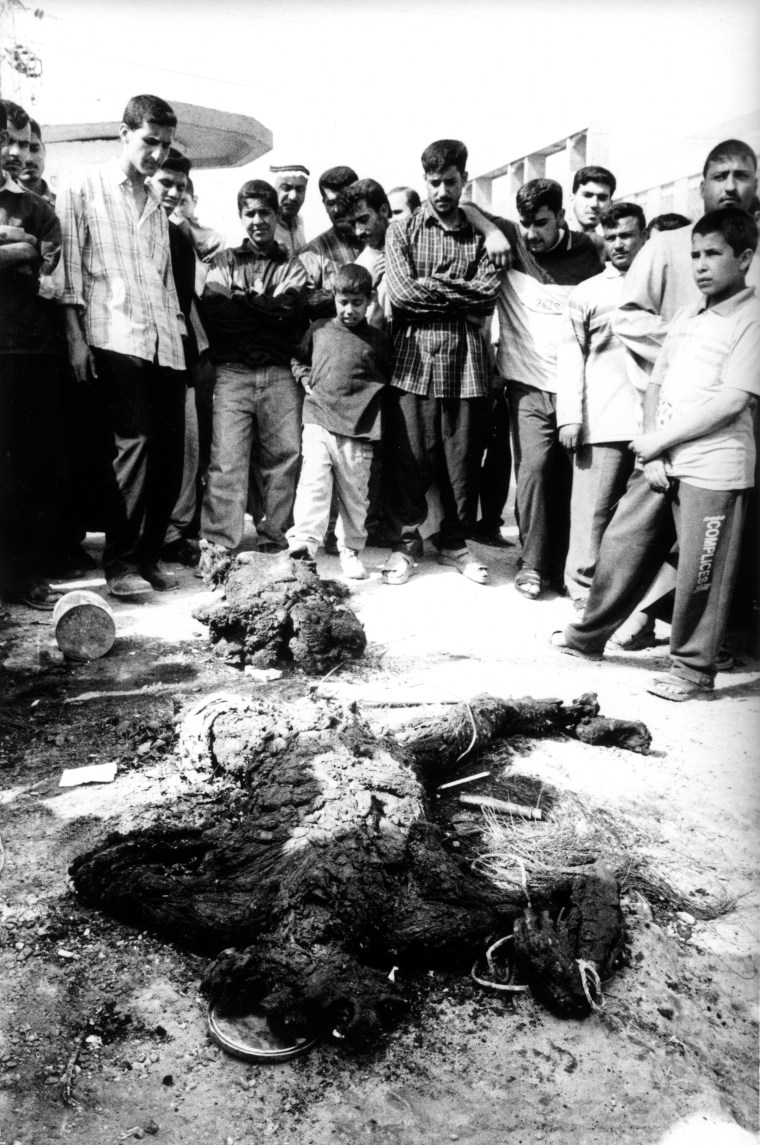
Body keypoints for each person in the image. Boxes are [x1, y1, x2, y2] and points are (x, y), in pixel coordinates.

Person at [553, 208, 760, 701]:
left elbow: (734, 400)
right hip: (662, 459)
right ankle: (588, 637)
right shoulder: (690, 314)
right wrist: (653, 450)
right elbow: (657, 380)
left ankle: (691, 669)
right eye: (695, 255)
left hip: (716, 467)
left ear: (745, 258)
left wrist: (660, 442)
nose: (702, 265)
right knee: (623, 543)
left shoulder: (751, 318)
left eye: (714, 254)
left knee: (701, 571)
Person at [610, 138, 760, 648]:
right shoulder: (668, 246)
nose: (731, 186)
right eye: (721, 177)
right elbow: (628, 319)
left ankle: (719, 642)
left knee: (718, 547)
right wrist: (686, 346)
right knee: (643, 533)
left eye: (742, 175)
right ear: (702, 186)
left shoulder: (752, 250)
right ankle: (631, 618)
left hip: (736, 429)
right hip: (673, 423)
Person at [58, 94, 187, 599]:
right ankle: (122, 565)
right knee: (133, 446)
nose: (156, 153)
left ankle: (150, 557)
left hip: (163, 343)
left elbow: (166, 283)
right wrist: (75, 338)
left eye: (165, 144)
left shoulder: (157, 203)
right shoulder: (83, 185)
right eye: (149, 141)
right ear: (125, 133)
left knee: (170, 453)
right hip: (112, 334)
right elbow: (69, 271)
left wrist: (180, 346)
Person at [381, 138, 502, 586]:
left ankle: (453, 542)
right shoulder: (402, 231)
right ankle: (408, 541)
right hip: (414, 362)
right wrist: (457, 294)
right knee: (412, 457)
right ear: (424, 181)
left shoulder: (480, 235)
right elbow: (401, 295)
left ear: (464, 179)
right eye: (433, 182)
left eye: (450, 181)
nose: (441, 190)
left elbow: (488, 292)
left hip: (467, 365)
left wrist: (430, 285)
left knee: (461, 459)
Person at [499, 177, 603, 599]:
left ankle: (563, 567)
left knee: (572, 478)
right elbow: (470, 208)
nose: (530, 233)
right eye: (524, 222)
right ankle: (532, 565)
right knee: (536, 470)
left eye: (540, 223)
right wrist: (492, 232)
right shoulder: (512, 241)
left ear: (562, 216)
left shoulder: (591, 251)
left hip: (578, 387)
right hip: (527, 385)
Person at [200, 178, 307, 563]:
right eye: (250, 213)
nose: (258, 220)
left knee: (283, 456)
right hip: (233, 373)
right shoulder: (224, 261)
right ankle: (218, 545)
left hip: (279, 372)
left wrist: (242, 303)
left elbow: (290, 315)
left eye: (265, 212)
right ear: (241, 216)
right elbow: (216, 316)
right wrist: (265, 313)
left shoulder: (293, 265)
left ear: (278, 215)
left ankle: (274, 538)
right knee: (226, 459)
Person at [557, 202, 648, 612]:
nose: (618, 244)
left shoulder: (661, 288)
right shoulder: (588, 293)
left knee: (641, 522)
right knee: (592, 514)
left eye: (626, 235)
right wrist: (571, 417)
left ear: (643, 236)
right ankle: (581, 591)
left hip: (653, 424)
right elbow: (570, 357)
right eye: (610, 237)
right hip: (603, 421)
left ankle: (635, 602)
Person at [0, 99, 68, 611]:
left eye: (24, 144)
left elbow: (47, 276)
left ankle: (22, 576)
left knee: (22, 468)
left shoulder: (38, 208)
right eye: (7, 140)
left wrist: (19, 245)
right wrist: (18, 248)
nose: (15, 152)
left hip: (27, 350)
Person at [287, 263, 391, 579]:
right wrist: (304, 377)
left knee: (355, 497)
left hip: (358, 430)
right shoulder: (318, 330)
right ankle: (303, 550)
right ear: (334, 297)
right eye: (342, 302)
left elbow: (387, 376)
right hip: (318, 420)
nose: (349, 310)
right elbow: (298, 359)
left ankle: (350, 551)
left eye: (357, 303)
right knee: (313, 486)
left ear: (370, 299)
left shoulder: (377, 340)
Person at [147, 149, 209, 568]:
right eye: (165, 183)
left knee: (183, 447)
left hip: (177, 354)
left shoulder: (181, 236)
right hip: (136, 355)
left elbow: (185, 301)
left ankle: (171, 533)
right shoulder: (137, 229)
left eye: (180, 186)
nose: (172, 192)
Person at [300, 166, 362, 320]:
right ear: (323, 203)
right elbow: (304, 305)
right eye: (330, 203)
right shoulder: (312, 252)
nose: (336, 210)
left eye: (342, 201)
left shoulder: (380, 239)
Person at [570, 165, 617, 258]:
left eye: (602, 198)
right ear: (572, 199)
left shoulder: (610, 251)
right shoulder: (551, 243)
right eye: (587, 195)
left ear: (610, 204)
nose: (594, 204)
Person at [270, 163, 309, 256]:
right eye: (286, 188)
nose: (293, 197)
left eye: (300, 190)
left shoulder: (299, 221)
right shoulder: (262, 225)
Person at [18, 117, 55, 205]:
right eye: (21, 151)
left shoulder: (64, 207)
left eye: (34, 149)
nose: (29, 159)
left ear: (44, 150)